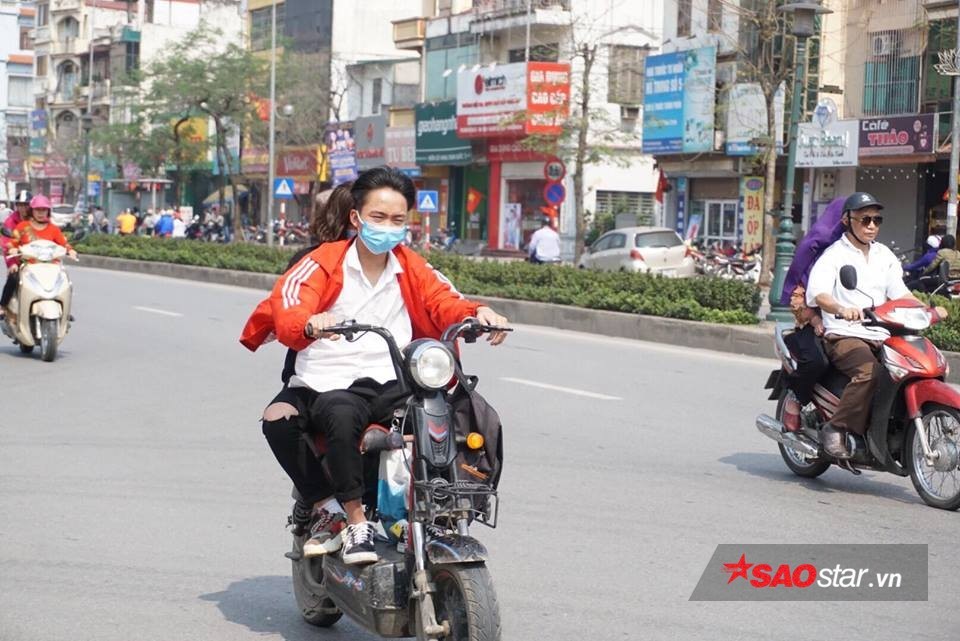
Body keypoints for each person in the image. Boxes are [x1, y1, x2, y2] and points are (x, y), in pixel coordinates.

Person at [240, 167, 509, 565]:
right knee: (320, 415)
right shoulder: (321, 262)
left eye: (398, 219)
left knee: (446, 414)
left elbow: (444, 299)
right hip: (329, 380)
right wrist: (309, 322)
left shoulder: (411, 266)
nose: (388, 227)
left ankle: (437, 512)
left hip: (393, 380)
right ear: (356, 217)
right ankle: (350, 518)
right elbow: (291, 304)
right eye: (378, 217)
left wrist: (478, 312)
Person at [806, 192, 946, 459]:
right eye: (865, 219)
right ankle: (836, 427)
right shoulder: (834, 255)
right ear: (847, 221)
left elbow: (901, 293)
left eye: (876, 220)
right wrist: (841, 309)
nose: (871, 225)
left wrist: (927, 310)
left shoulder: (884, 255)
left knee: (908, 370)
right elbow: (819, 294)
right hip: (845, 334)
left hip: (881, 332)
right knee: (869, 372)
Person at [1, 194, 78, 318]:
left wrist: (71, 250)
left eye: (44, 210)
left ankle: (65, 311)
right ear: (32, 211)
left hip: (51, 266)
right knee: (13, 277)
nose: (41, 213)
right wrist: (13, 249)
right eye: (37, 210)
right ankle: (3, 306)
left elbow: (63, 243)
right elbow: (12, 242)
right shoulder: (22, 227)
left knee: (65, 282)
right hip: (28, 265)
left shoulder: (54, 229)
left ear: (48, 211)